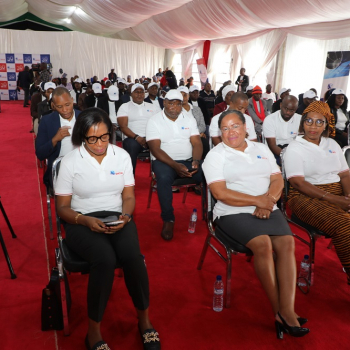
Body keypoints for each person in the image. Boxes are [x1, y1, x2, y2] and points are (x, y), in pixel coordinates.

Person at [54, 108, 160, 350]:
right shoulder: (70, 162)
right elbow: (62, 208)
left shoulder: (121, 156)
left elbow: (129, 196)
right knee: (104, 259)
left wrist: (126, 216)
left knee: (133, 257)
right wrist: (85, 220)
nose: (99, 143)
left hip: (117, 216)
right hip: (81, 220)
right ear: (82, 137)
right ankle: (94, 333)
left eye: (104, 137)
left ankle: (144, 321)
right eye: (92, 138)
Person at [202, 109, 309, 339]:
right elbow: (220, 193)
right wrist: (256, 200)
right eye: (225, 128)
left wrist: (268, 201)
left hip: (268, 206)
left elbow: (277, 179)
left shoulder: (260, 148)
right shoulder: (215, 155)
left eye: (235, 126)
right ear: (220, 133)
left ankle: (288, 309)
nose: (231, 132)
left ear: (246, 127)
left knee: (287, 243)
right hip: (232, 212)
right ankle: (279, 311)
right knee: (262, 245)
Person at [284, 101, 350, 286]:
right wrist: (336, 200)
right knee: (344, 224)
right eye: (309, 121)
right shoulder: (295, 147)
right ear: (302, 123)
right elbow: (297, 182)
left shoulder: (333, 144)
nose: (313, 126)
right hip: (305, 195)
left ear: (327, 124)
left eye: (319, 122)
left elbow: (344, 174)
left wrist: (348, 196)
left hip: (337, 193)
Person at [146, 90, 203, 241]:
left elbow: (197, 142)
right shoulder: (154, 120)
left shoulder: (189, 118)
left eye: (178, 104)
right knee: (164, 179)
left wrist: (196, 161)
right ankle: (168, 219)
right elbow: (155, 148)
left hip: (188, 160)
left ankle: (212, 215)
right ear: (164, 103)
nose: (174, 107)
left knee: (211, 172)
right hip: (164, 161)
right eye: (170, 103)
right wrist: (175, 165)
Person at [35, 87, 80, 188]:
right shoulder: (47, 121)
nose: (64, 110)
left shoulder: (83, 117)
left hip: (84, 164)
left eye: (67, 105)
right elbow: (40, 154)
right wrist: (55, 139)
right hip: (60, 167)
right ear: (53, 106)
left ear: (72, 100)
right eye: (59, 106)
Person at [117, 83, 156, 174]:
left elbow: (158, 123)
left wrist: (150, 137)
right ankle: (130, 177)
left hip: (150, 137)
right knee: (132, 145)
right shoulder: (125, 107)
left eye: (142, 92)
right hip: (133, 138)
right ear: (131, 94)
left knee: (166, 144)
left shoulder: (152, 106)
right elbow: (123, 127)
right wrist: (137, 137)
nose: (139, 94)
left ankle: (160, 177)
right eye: (136, 92)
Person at [263, 95, 301, 165]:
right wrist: (287, 157)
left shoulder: (300, 120)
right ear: (280, 105)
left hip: (293, 150)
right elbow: (272, 146)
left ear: (296, 109)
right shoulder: (270, 120)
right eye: (285, 108)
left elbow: (302, 142)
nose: (288, 112)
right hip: (275, 151)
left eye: (291, 110)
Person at [178, 86, 209, 158]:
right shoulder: (176, 111)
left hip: (197, 135)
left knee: (204, 142)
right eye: (180, 95)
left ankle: (202, 163)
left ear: (188, 96)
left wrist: (196, 134)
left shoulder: (196, 109)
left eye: (185, 95)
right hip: (183, 135)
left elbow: (202, 125)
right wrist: (195, 134)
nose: (183, 98)